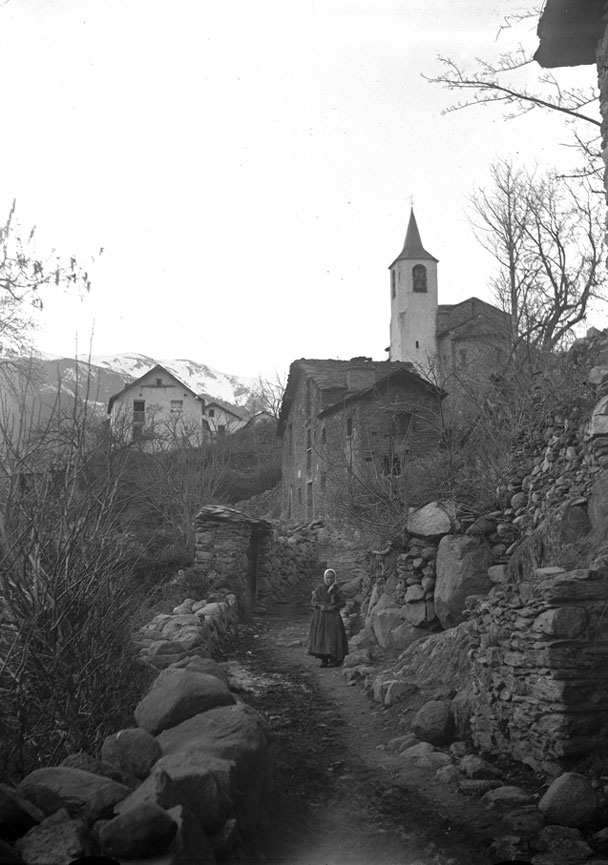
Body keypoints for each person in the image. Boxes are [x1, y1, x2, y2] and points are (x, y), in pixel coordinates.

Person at [307, 568, 349, 668]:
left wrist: (334, 607)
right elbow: (313, 601)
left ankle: (334, 658)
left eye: (331, 578)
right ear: (324, 578)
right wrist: (320, 606)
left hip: (333, 616)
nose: (329, 580)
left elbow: (343, 602)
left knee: (333, 636)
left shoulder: (337, 590)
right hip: (320, 616)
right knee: (321, 636)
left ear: (334, 578)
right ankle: (323, 658)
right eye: (327, 577)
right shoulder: (319, 589)